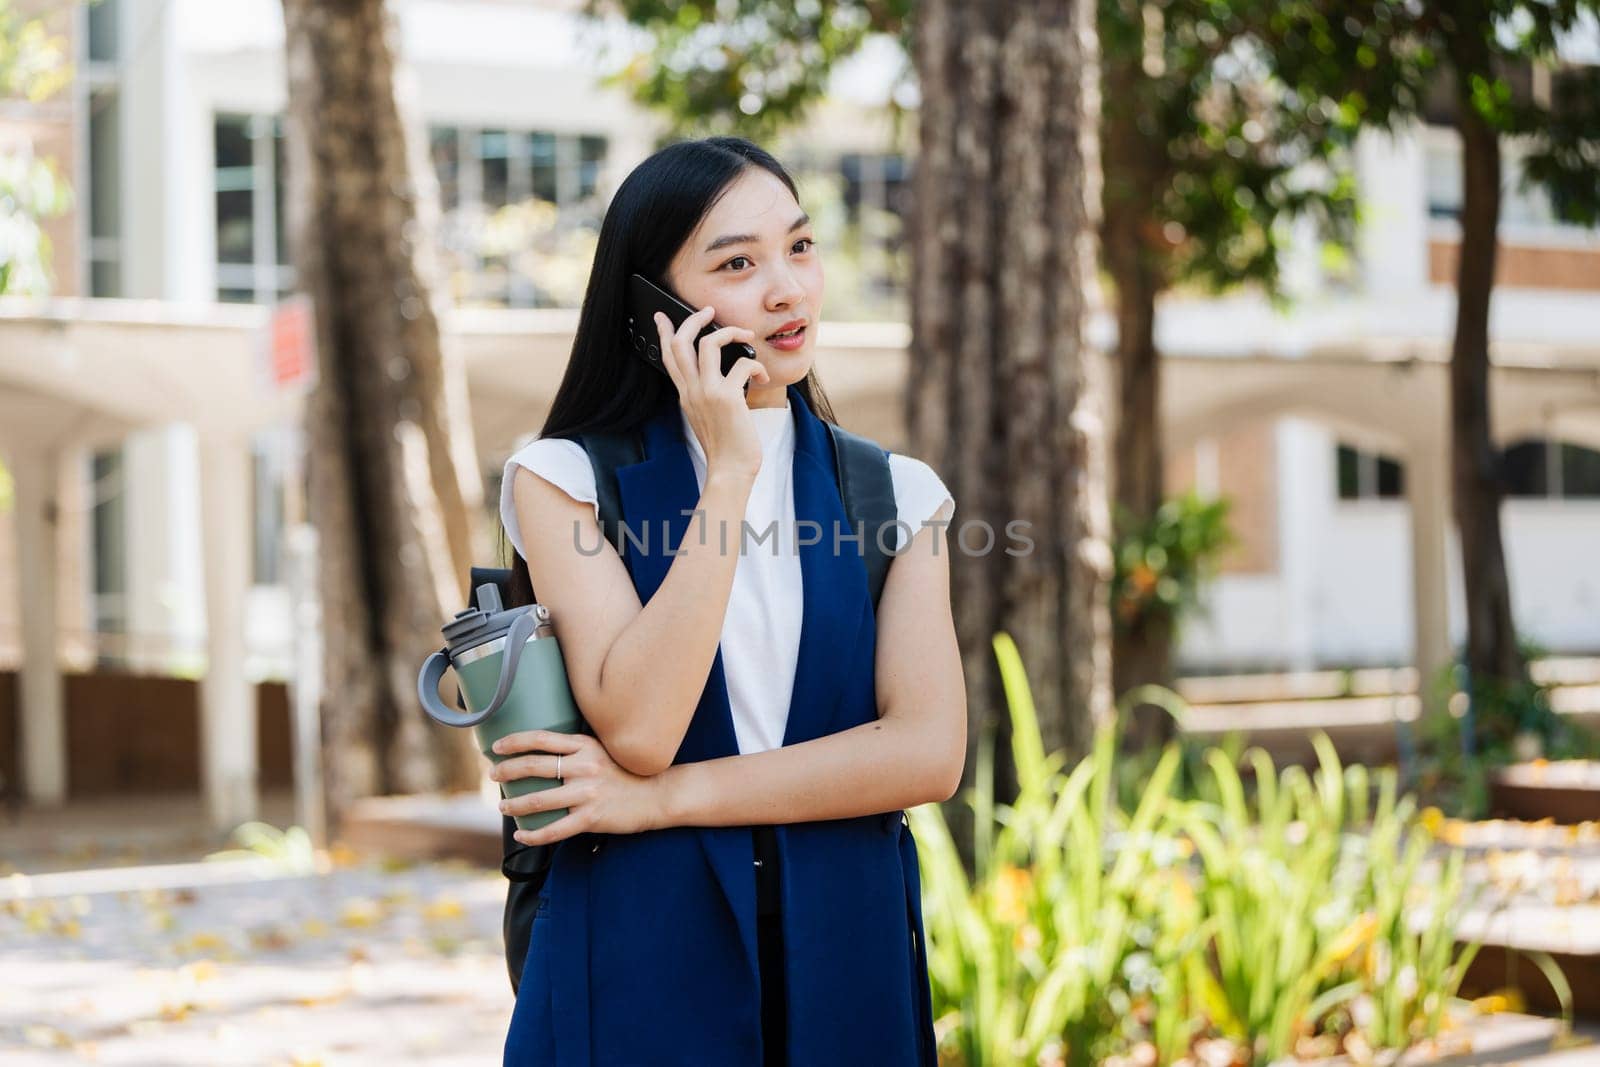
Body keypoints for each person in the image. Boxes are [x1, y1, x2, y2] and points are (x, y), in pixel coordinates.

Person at [494, 136, 966, 1066]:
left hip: (848, 957)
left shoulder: (896, 493)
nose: (786, 289)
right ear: (653, 307)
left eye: (799, 247)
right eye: (738, 264)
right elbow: (639, 726)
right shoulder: (564, 481)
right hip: (641, 958)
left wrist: (659, 802)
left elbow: (925, 752)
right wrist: (733, 472)